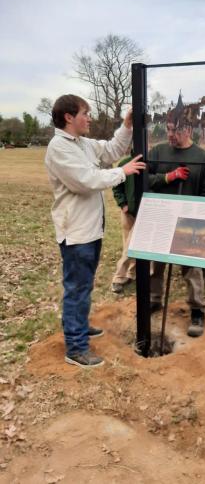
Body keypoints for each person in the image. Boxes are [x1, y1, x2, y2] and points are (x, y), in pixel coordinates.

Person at [45, 94, 146, 368]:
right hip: (76, 232)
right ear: (69, 117)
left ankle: (78, 326)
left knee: (84, 284)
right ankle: (76, 347)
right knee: (77, 287)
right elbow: (86, 181)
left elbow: (111, 150)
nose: (89, 118)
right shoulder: (59, 148)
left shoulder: (83, 144)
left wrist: (126, 126)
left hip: (90, 230)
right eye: (85, 113)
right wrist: (123, 172)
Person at [148, 98, 205, 337]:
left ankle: (197, 310)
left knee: (192, 268)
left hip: (189, 222)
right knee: (155, 265)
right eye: (167, 130)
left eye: (174, 131)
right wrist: (168, 177)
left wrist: (198, 215)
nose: (169, 135)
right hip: (161, 217)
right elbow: (144, 180)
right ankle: (154, 300)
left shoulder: (202, 157)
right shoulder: (157, 152)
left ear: (187, 130)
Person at [111, 155, 137, 293]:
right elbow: (116, 186)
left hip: (145, 212)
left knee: (132, 246)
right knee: (128, 245)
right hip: (128, 212)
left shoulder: (151, 163)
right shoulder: (125, 163)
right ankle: (119, 277)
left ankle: (130, 274)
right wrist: (123, 203)